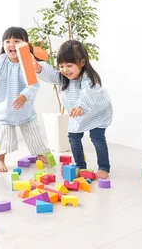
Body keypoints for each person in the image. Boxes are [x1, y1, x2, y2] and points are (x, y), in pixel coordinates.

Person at [34, 40, 112, 179]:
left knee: (97, 137)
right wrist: (38, 68)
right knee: (73, 137)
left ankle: (104, 167)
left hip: (97, 112)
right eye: (61, 66)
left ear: (82, 63)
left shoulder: (89, 79)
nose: (65, 70)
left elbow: (89, 93)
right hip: (78, 113)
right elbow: (51, 74)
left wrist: (82, 106)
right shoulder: (63, 78)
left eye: (69, 65)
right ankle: (80, 166)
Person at [0, 26, 50, 173]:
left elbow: (33, 85)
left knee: (33, 134)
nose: (11, 44)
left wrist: (24, 95)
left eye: (16, 41)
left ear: (25, 45)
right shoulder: (2, 60)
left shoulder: (27, 63)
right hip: (7, 109)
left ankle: (41, 154)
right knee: (6, 137)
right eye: (7, 41)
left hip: (25, 110)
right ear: (3, 45)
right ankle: (0, 158)